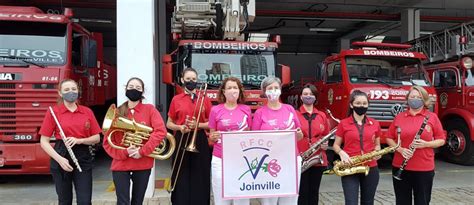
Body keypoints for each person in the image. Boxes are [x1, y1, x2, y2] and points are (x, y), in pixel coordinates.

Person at [103, 77, 167, 205]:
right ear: (125, 89)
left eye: (138, 88)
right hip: (120, 164)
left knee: (138, 201)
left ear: (142, 92)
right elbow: (107, 142)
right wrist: (125, 152)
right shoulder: (117, 112)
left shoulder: (150, 109)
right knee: (122, 202)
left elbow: (160, 131)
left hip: (142, 163)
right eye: (131, 87)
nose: (134, 90)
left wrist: (142, 151)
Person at [39, 79, 101, 205]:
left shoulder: (87, 111)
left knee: (85, 201)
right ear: (60, 93)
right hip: (61, 154)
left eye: (73, 89)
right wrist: (60, 160)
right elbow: (44, 141)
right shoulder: (54, 112)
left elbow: (97, 138)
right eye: (66, 90)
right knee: (64, 201)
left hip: (82, 156)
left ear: (78, 91)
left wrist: (80, 140)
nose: (71, 92)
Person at [386, 86, 445, 205]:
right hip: (400, 165)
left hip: (424, 168)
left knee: (422, 201)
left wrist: (426, 144)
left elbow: (442, 139)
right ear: (407, 99)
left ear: (424, 100)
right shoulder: (400, 117)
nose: (415, 99)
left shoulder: (432, 117)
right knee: (402, 201)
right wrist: (400, 149)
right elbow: (389, 137)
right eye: (412, 97)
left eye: (418, 97)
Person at [251, 76, 304, 205]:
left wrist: (298, 134)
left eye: (276, 87)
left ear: (280, 89)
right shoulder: (260, 112)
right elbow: (254, 138)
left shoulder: (289, 109)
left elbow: (299, 134)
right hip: (268, 161)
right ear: (264, 91)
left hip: (290, 159)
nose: (273, 90)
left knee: (290, 197)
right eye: (270, 88)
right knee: (269, 198)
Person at [167, 68, 212, 205]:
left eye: (193, 79)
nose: (191, 82)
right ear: (182, 80)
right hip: (182, 137)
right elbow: (168, 123)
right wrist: (180, 127)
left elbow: (211, 123)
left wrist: (197, 125)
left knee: (201, 172)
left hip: (200, 138)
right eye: (188, 79)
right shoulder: (176, 99)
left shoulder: (204, 99)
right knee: (181, 173)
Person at [332, 90, 381, 205]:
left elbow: (377, 144)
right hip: (350, 167)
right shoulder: (343, 123)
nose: (361, 106)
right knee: (351, 202)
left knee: (368, 202)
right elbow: (336, 145)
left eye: (364, 103)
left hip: (371, 168)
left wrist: (378, 151)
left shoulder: (375, 123)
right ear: (351, 105)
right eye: (358, 103)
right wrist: (341, 153)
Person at [208, 77, 252, 205]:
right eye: (229, 88)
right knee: (220, 196)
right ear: (223, 92)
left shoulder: (246, 110)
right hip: (220, 158)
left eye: (235, 88)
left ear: (239, 91)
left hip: (242, 159)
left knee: (241, 197)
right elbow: (211, 136)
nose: (232, 90)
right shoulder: (215, 110)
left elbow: (249, 134)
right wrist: (213, 137)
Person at [295, 84, 330, 205]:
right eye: (305, 94)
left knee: (314, 192)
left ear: (315, 97)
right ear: (301, 97)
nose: (308, 96)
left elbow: (325, 135)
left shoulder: (322, 115)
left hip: (317, 157)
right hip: (301, 157)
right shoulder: (295, 114)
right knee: (302, 192)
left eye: (311, 94)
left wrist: (325, 144)